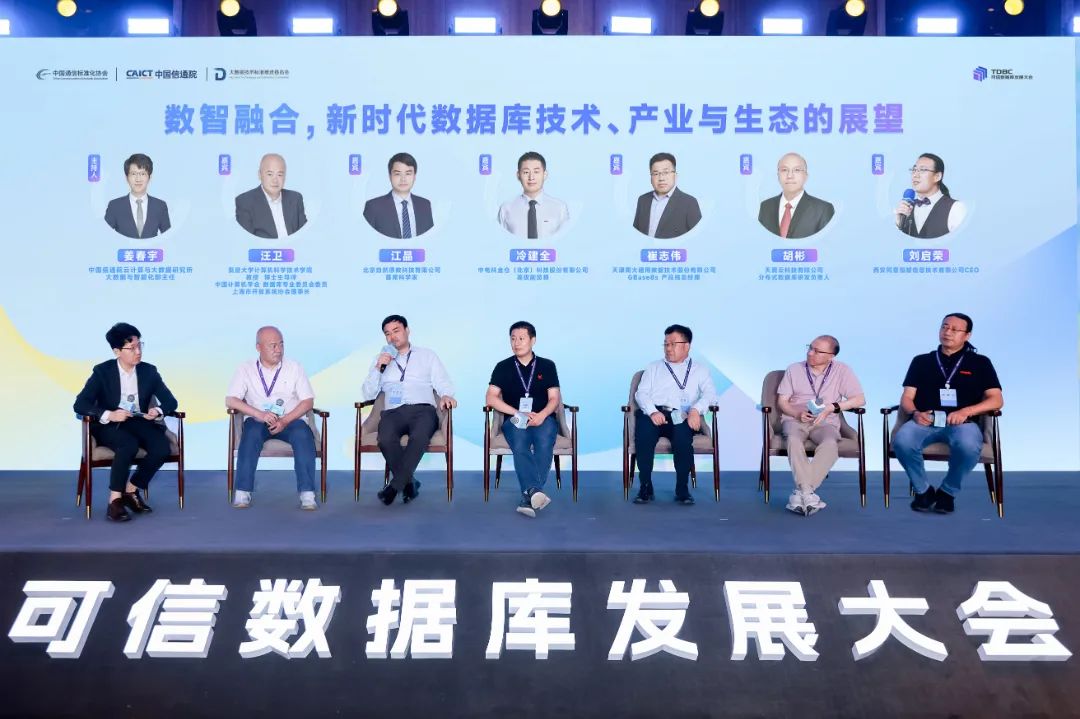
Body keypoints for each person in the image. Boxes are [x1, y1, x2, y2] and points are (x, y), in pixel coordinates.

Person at [895, 313, 1003, 514]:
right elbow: (907, 397)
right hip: (925, 420)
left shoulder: (980, 363)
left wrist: (966, 411)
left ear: (967, 335)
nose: (947, 332)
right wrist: (915, 413)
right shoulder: (921, 361)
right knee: (902, 441)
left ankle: (947, 492)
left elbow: (996, 400)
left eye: (954, 329)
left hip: (962, 423)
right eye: (944, 327)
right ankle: (923, 491)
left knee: (968, 446)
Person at [73, 323, 177, 522]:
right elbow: (80, 404)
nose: (138, 352)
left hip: (139, 422)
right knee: (127, 444)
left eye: (140, 346)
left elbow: (171, 401)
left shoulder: (149, 371)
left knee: (161, 448)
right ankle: (114, 501)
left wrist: (157, 411)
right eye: (132, 348)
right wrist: (110, 414)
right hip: (110, 425)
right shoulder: (102, 372)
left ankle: (131, 490)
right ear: (117, 351)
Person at [361, 315, 457, 505]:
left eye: (396, 331)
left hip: (423, 410)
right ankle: (409, 483)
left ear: (407, 330)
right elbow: (368, 393)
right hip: (393, 412)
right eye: (387, 334)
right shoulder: (380, 360)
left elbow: (443, 381)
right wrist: (378, 368)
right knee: (385, 438)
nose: (392, 337)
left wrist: (446, 395)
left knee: (419, 437)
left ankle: (394, 487)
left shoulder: (427, 355)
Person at [225, 326, 319, 510]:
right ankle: (243, 491)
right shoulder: (245, 369)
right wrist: (258, 414)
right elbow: (231, 400)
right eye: (273, 345)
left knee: (303, 434)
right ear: (258, 347)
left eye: (281, 345)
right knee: (251, 433)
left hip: (289, 420)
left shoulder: (294, 367)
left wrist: (285, 420)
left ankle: (307, 493)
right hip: (259, 419)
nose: (278, 350)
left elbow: (308, 401)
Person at [776, 336, 865, 515]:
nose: (810, 353)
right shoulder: (794, 369)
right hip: (795, 420)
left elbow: (859, 399)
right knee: (793, 440)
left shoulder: (842, 370)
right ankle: (808, 494)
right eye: (810, 348)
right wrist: (796, 413)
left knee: (830, 444)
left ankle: (802, 492)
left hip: (826, 422)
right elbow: (782, 401)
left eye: (817, 351)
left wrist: (832, 407)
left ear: (831, 356)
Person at [632, 324, 717, 505]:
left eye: (672, 344)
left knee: (682, 437)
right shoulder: (654, 367)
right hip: (654, 412)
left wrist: (696, 410)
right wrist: (653, 411)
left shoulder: (700, 370)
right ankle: (645, 486)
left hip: (681, 414)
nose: (668, 348)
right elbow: (641, 393)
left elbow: (710, 395)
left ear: (686, 346)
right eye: (665, 344)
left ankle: (682, 488)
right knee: (644, 434)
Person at [486, 321, 562, 518]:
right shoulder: (503, 366)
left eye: (521, 338)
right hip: (515, 419)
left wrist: (542, 415)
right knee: (520, 442)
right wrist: (516, 413)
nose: (516, 343)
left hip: (543, 417)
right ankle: (534, 492)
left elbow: (554, 398)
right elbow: (491, 398)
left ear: (532, 340)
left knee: (544, 442)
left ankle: (528, 496)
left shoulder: (547, 365)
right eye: (513, 339)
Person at [757, 153, 834, 239]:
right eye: (784, 170)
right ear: (778, 175)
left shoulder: (823, 209)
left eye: (797, 170)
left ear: (806, 176)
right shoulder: (765, 206)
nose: (790, 176)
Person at [894, 153, 966, 239]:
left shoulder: (955, 208)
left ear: (937, 176)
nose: (915, 175)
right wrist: (898, 223)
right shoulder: (904, 209)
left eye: (922, 170)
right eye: (914, 169)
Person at [497, 151, 569, 238]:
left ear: (545, 174)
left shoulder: (560, 208)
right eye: (526, 172)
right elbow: (500, 241)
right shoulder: (506, 208)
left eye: (536, 172)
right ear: (518, 175)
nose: (531, 177)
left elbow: (565, 240)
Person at [235, 153, 307, 238]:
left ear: (285, 177)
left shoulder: (296, 198)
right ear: (259, 175)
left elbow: (304, 234)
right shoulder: (245, 202)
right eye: (270, 174)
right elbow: (246, 239)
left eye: (280, 175)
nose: (275, 180)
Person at [363, 152, 434, 239]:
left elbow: (430, 238)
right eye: (397, 174)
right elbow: (366, 239)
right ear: (390, 176)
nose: (403, 179)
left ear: (414, 176)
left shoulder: (425, 205)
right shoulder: (373, 207)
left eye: (408, 173)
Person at [632, 153, 702, 239]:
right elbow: (635, 234)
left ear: (675, 175)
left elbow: (697, 237)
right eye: (656, 174)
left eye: (666, 172)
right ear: (651, 177)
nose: (661, 178)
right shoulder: (643, 200)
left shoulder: (689, 203)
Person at [104, 154, 171, 239]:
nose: (138, 179)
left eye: (142, 174)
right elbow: (104, 236)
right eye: (133, 174)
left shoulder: (160, 206)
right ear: (127, 178)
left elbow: (168, 237)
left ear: (150, 177)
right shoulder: (115, 206)